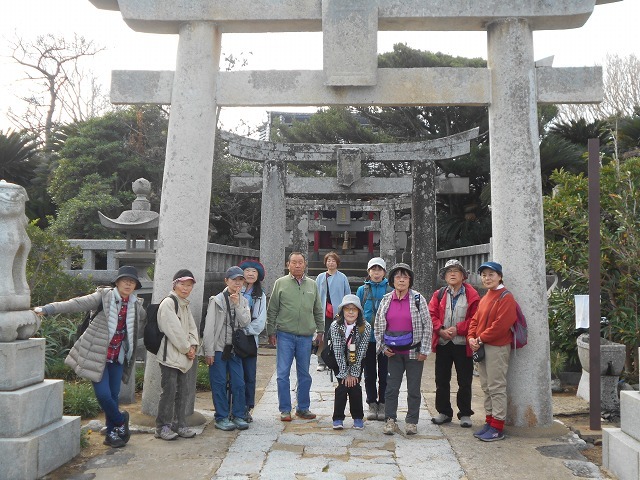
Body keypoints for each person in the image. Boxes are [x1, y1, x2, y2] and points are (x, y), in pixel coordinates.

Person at [34, 266, 146, 448]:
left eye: (132, 282)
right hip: (97, 355)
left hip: (118, 357)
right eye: (124, 280)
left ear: (135, 286)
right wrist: (48, 309)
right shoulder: (103, 297)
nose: (128, 284)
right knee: (103, 395)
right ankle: (120, 420)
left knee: (113, 396)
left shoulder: (136, 306)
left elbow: (142, 324)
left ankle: (111, 434)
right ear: (117, 283)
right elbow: (76, 303)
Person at [374, 262, 432, 436]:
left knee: (413, 389)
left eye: (405, 277)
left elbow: (427, 325)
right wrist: (382, 347)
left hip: (414, 352)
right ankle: (390, 420)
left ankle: (411, 421)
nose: (401, 280)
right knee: (391, 388)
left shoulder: (418, 299)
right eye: (398, 277)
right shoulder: (386, 299)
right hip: (393, 353)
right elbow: (378, 325)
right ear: (392, 280)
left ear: (410, 280)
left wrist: (424, 350)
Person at [267, 252, 324, 421]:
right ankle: (285, 409)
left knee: (304, 374)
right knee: (282, 373)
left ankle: (303, 408)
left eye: (300, 262)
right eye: (294, 262)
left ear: (305, 264)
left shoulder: (312, 284)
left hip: (306, 336)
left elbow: (317, 309)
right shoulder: (280, 283)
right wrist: (271, 331)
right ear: (288, 265)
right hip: (285, 334)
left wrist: (320, 330)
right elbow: (272, 309)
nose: (297, 265)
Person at [467, 261, 518, 442]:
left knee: (496, 387)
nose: (487, 278)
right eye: (484, 275)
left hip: (497, 347)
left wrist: (479, 339)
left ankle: (497, 426)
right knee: (486, 386)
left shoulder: (506, 297)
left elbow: (501, 325)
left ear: (500, 276)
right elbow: (475, 320)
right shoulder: (487, 295)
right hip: (482, 345)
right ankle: (489, 421)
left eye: (491, 275)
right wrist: (471, 337)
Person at [428, 259, 480, 429]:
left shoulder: (472, 294)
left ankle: (465, 413)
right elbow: (431, 314)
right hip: (444, 343)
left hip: (463, 343)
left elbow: (476, 318)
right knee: (441, 379)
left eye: (456, 271)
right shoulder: (439, 294)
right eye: (449, 271)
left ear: (463, 275)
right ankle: (444, 412)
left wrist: (459, 329)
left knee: (464, 380)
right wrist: (440, 329)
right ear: (444, 276)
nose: (452, 274)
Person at [202, 266, 252, 431]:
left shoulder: (244, 301)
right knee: (219, 383)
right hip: (218, 347)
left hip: (235, 349)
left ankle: (238, 415)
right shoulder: (216, 300)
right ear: (226, 281)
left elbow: (245, 322)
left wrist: (237, 305)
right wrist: (208, 351)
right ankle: (221, 417)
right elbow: (209, 327)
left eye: (240, 280)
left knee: (239, 383)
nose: (237, 283)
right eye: (234, 280)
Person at [155, 269, 200, 441]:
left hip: (184, 356)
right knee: (169, 391)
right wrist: (188, 348)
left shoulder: (184, 304)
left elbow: (192, 328)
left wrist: (193, 346)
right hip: (170, 357)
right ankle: (162, 427)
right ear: (175, 285)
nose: (186, 288)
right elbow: (174, 331)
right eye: (182, 284)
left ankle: (180, 424)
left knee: (183, 391)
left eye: (189, 285)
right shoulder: (169, 303)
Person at [356, 257, 391, 421]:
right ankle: (371, 402)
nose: (376, 273)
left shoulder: (390, 289)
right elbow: (357, 313)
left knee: (385, 373)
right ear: (368, 272)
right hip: (367, 338)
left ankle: (383, 402)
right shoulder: (362, 290)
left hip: (385, 339)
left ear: (384, 272)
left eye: (379, 270)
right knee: (369, 373)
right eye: (373, 270)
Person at [329, 294, 371, 430]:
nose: (351, 312)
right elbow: (338, 350)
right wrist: (345, 373)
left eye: (354, 309)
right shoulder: (336, 326)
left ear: (359, 312)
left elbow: (361, 350)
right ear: (342, 311)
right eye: (347, 309)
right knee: (342, 386)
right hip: (339, 359)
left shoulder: (365, 326)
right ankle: (338, 418)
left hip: (356, 358)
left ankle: (358, 417)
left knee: (355, 386)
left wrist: (353, 373)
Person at [238, 259, 267, 422]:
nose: (250, 274)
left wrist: (245, 331)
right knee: (235, 375)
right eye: (247, 271)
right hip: (234, 339)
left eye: (254, 272)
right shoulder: (235, 290)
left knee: (249, 375)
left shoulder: (260, 295)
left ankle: (246, 408)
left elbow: (260, 321)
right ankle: (234, 406)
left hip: (249, 340)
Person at [315, 251, 351, 372]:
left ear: (337, 263)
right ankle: (321, 361)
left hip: (338, 312)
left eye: (333, 261)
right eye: (329, 261)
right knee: (322, 336)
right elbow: (315, 295)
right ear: (325, 263)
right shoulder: (320, 277)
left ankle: (337, 361)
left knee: (339, 337)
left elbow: (347, 294)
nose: (331, 263)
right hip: (323, 311)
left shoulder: (342, 277)